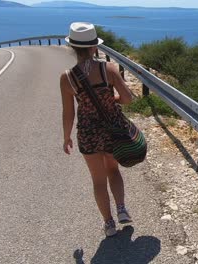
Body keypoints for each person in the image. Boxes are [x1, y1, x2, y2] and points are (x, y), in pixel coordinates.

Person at [60, 22, 134, 237]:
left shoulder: (67, 77)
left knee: (98, 180)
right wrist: (113, 99)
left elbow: (68, 112)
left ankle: (109, 223)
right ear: (94, 48)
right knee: (113, 170)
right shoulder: (108, 69)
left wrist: (66, 137)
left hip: (87, 133)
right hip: (112, 130)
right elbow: (128, 98)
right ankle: (121, 209)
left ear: (73, 47)